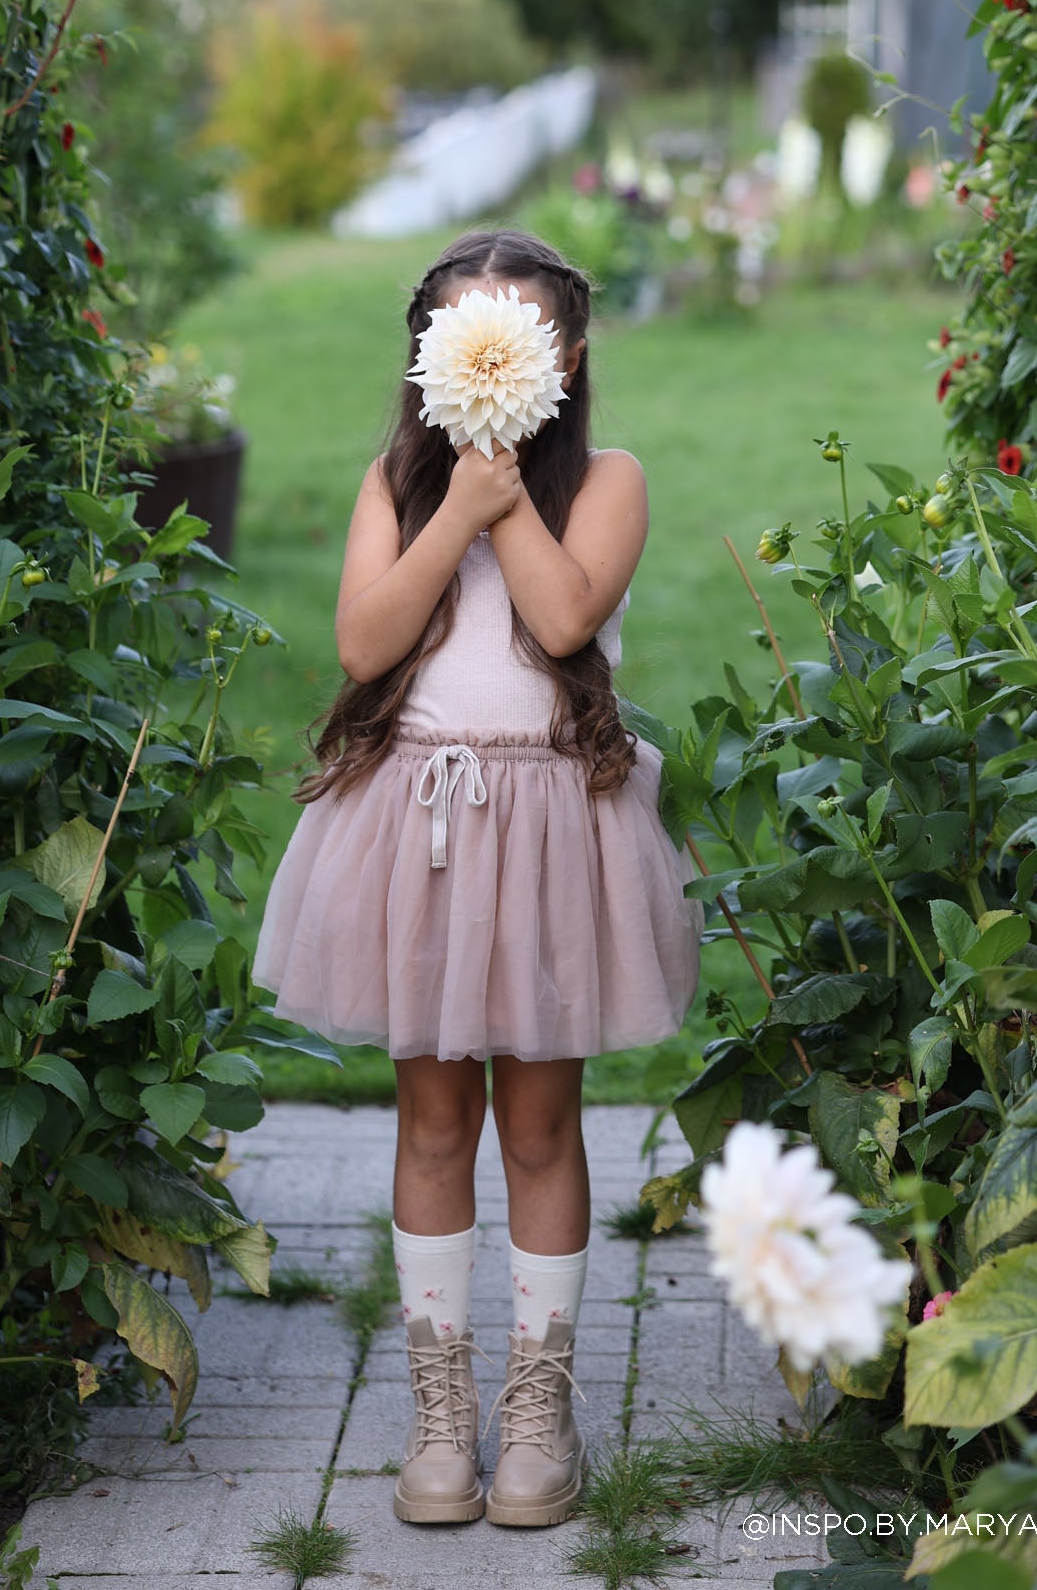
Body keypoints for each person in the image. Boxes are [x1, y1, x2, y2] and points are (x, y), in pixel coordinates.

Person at [252, 226, 702, 1529]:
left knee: (541, 1124)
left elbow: (563, 623)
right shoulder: (396, 483)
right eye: (468, 330)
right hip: (424, 827)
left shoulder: (605, 480)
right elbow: (359, 640)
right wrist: (454, 501)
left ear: (565, 354)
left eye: (522, 330)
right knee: (434, 1122)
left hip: (553, 824)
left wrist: (506, 502)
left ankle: (538, 1408)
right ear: (429, 355)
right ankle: (441, 1410)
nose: (495, 350)